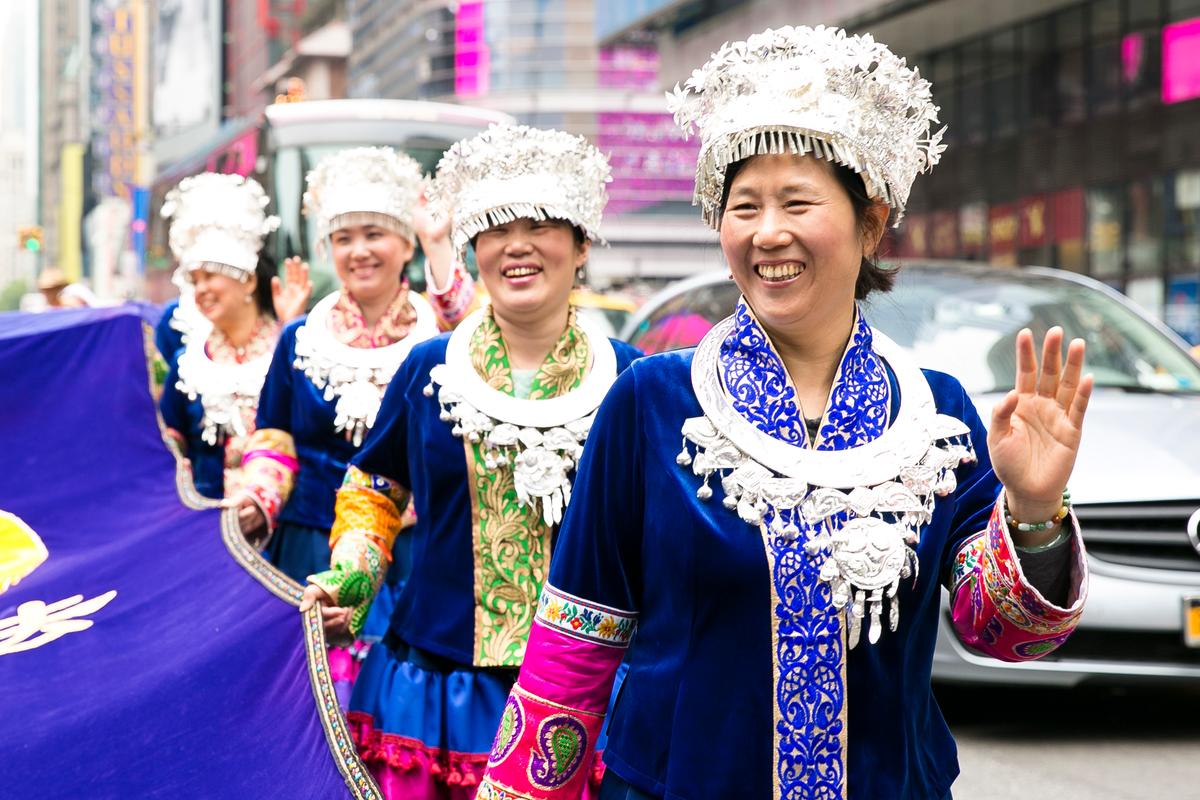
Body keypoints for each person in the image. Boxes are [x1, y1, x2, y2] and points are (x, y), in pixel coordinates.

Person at [476, 26, 1094, 800]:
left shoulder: (937, 417)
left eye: (798, 202)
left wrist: (1033, 510)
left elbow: (1004, 633)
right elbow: (574, 646)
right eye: (744, 207)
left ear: (870, 224)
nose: (768, 233)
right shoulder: (651, 404)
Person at [297, 124, 641, 798]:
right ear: (473, 250)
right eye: (493, 227)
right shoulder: (429, 368)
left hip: (593, 690)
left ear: (580, 247)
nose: (516, 244)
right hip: (438, 685)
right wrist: (352, 580)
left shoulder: (630, 382)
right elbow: (374, 486)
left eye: (541, 224)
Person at [233, 146, 477, 582]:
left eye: (374, 234)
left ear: (406, 245)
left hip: (412, 549)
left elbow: (473, 327)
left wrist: (437, 244)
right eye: (344, 239)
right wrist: (259, 497)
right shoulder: (300, 338)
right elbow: (274, 438)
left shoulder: (438, 336)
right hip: (308, 543)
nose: (359, 250)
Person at [159, 173, 310, 500]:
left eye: (210, 276)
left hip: (289, 521)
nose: (200, 289)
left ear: (249, 282)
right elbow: (169, 442)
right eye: (194, 279)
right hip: (208, 526)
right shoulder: (188, 363)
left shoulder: (290, 344)